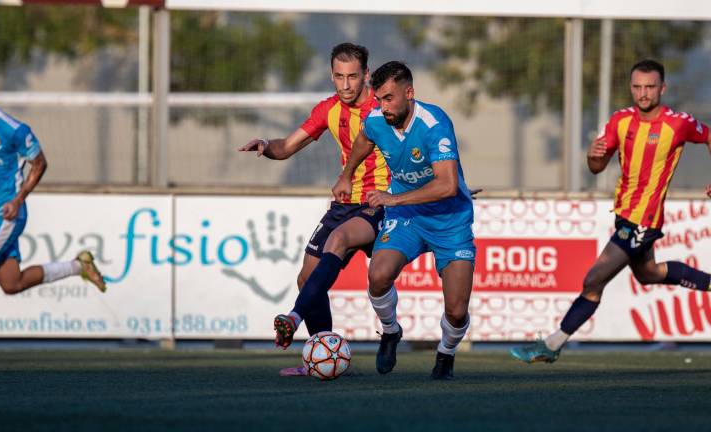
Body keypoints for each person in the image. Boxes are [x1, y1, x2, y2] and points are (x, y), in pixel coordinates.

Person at [511, 59, 711, 364]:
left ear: (662, 88)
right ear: (631, 87)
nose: (643, 93)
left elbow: (708, 135)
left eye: (650, 87)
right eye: (637, 87)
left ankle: (551, 344)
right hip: (624, 214)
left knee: (594, 280)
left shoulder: (677, 123)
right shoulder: (619, 121)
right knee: (649, 274)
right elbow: (596, 167)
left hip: (643, 220)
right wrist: (593, 157)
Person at [239, 43, 390, 376]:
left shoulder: (384, 108)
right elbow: (287, 146)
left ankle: (294, 318)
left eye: (353, 76)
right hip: (344, 204)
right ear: (332, 76)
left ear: (366, 75)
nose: (346, 84)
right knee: (306, 277)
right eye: (339, 77)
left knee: (343, 244)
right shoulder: (328, 110)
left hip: (381, 203)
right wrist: (266, 146)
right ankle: (323, 355)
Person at [0, 71, 107, 353]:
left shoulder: (14, 130)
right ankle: (79, 266)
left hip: (7, 214)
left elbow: (40, 163)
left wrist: (19, 199)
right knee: (11, 283)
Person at [333, 61, 476, 380]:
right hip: (407, 217)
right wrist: (346, 175)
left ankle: (445, 355)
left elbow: (447, 185)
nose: (382, 107)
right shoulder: (376, 119)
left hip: (449, 220)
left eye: (388, 98)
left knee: (456, 310)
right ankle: (390, 331)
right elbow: (363, 141)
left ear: (409, 93)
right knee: (379, 274)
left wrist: (392, 198)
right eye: (378, 99)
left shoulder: (434, 123)